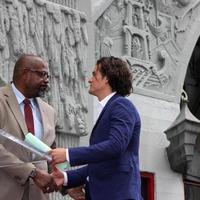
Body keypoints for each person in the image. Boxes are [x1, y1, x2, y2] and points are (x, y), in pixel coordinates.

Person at [49, 56, 143, 200]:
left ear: (106, 78)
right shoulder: (112, 107)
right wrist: (66, 177)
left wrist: (68, 155)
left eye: (94, 74)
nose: (90, 79)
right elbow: (101, 164)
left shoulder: (122, 105)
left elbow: (115, 146)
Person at [0, 54, 57, 199]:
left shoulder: (49, 111)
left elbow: (52, 154)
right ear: (25, 73)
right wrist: (32, 173)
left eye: (48, 76)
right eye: (42, 75)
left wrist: (67, 183)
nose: (47, 81)